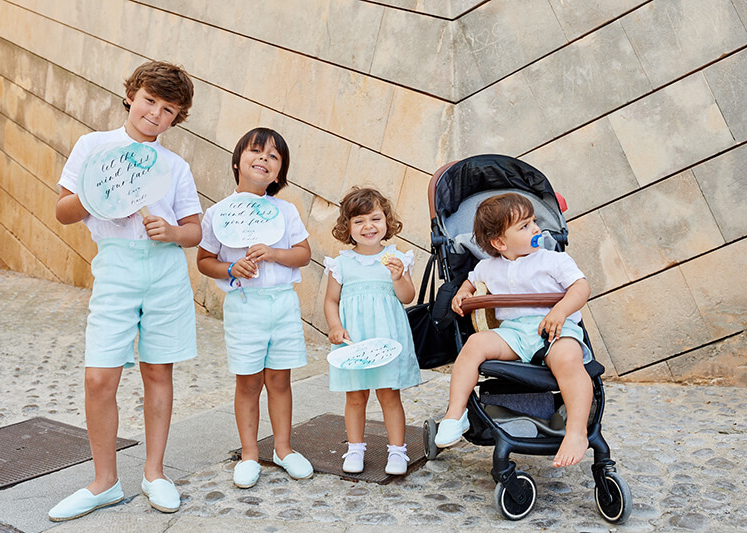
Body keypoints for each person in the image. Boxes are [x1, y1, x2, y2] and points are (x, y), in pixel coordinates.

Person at [49, 61, 201, 521]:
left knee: (158, 371)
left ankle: (154, 473)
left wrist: (171, 231)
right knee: (99, 377)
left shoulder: (175, 166)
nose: (155, 113)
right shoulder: (94, 146)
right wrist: (103, 198)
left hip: (164, 273)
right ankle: (104, 482)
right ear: (131, 94)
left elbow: (194, 230)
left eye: (168, 109)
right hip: (114, 267)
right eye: (150, 100)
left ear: (177, 118)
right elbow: (63, 211)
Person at [434, 192, 593, 468]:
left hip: (554, 328)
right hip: (515, 333)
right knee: (474, 346)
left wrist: (561, 310)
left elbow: (581, 287)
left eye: (533, 221)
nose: (535, 229)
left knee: (569, 358)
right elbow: (471, 282)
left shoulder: (552, 260)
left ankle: (577, 431)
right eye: (524, 226)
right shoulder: (488, 267)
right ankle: (455, 413)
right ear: (499, 242)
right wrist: (462, 293)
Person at [197, 127, 313, 489]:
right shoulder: (217, 213)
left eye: (273, 156)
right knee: (248, 382)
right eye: (256, 151)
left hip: (282, 304)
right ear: (237, 162)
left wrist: (274, 253)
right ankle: (249, 453)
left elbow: (304, 254)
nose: (264, 158)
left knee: (280, 379)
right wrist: (231, 268)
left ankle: (282, 448)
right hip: (244, 306)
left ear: (279, 174)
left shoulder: (286, 210)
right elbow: (204, 260)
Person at [324, 187, 422, 475]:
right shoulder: (340, 264)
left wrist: (399, 276)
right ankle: (355, 448)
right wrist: (334, 326)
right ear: (347, 227)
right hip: (353, 342)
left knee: (389, 395)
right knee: (355, 396)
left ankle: (397, 451)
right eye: (359, 221)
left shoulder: (397, 259)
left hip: (386, 340)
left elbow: (407, 297)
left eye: (375, 218)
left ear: (387, 222)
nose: (369, 226)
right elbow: (331, 300)